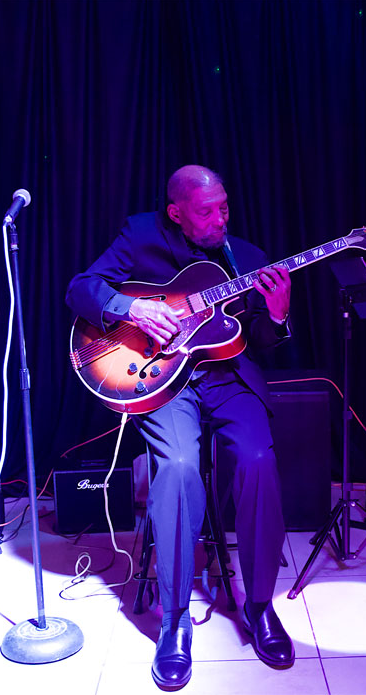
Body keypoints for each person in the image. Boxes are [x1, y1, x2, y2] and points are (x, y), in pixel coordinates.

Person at [66, 165, 295, 689]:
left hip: (227, 378)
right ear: (176, 212)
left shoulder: (250, 259)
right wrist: (134, 308)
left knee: (258, 460)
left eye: (225, 208)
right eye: (206, 211)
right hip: (165, 383)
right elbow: (81, 289)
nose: (220, 219)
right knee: (177, 467)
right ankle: (173, 623)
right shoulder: (141, 234)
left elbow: (260, 339)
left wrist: (277, 317)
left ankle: (259, 605)